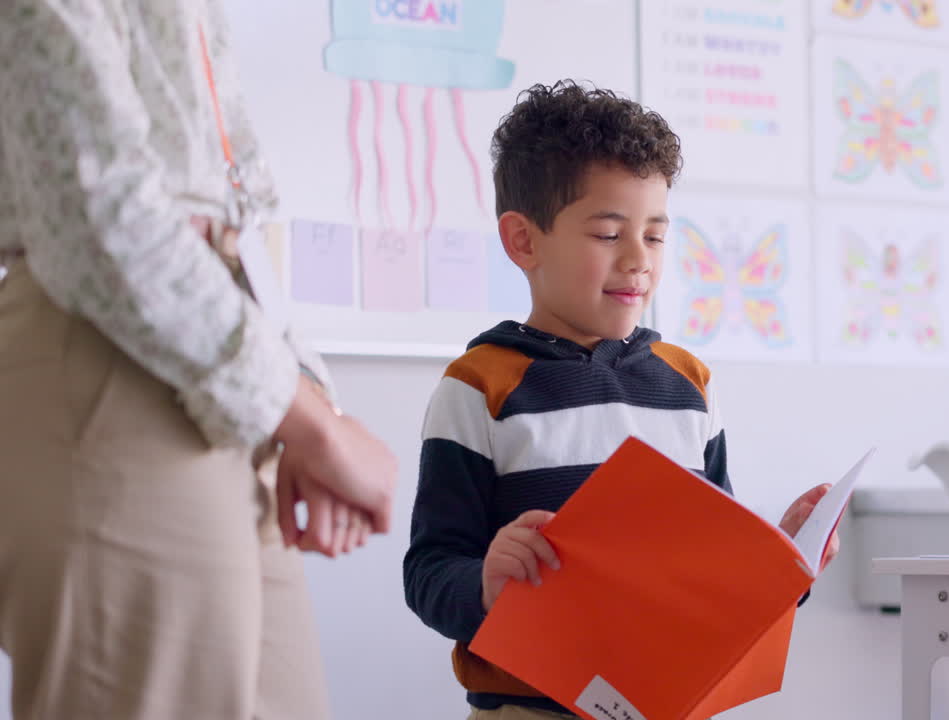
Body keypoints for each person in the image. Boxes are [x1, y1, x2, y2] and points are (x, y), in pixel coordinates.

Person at [0, 2, 396, 718]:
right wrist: (314, 426)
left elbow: (232, 229)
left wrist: (305, 401)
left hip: (231, 368)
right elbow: (96, 217)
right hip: (111, 351)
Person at [403, 81, 839, 720]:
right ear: (524, 241)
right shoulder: (480, 387)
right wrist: (486, 584)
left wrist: (782, 564)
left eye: (655, 237)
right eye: (609, 234)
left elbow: (709, 576)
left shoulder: (689, 385)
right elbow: (429, 571)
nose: (638, 260)